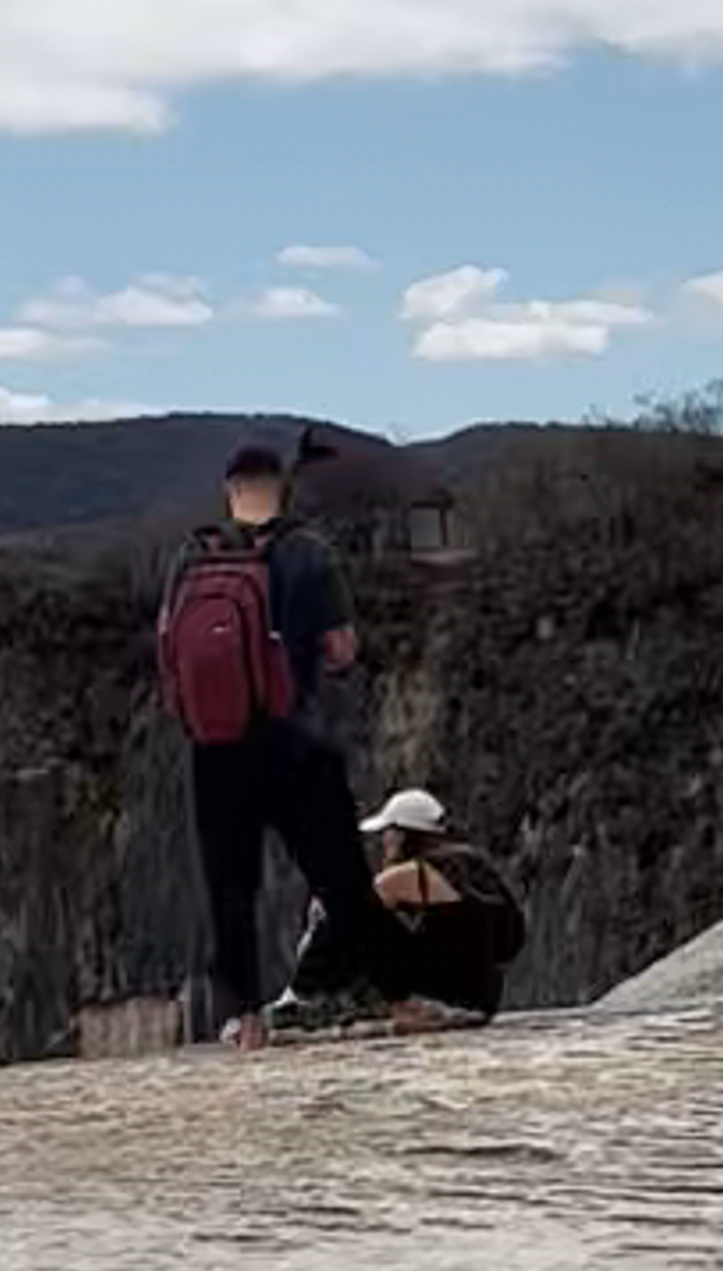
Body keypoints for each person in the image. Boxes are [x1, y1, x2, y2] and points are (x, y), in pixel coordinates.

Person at [161, 439, 384, 1041]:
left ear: (230, 490)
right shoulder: (308, 552)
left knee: (229, 888)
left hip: (212, 743)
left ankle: (243, 1019)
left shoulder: (191, 556)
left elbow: (170, 647)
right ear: (281, 488)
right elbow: (340, 649)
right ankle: (377, 991)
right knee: (338, 874)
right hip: (293, 737)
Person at [268, 786, 527, 1032]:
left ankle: (299, 998)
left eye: (386, 832)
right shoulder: (470, 867)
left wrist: (317, 927)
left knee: (345, 903)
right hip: (480, 998)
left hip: (445, 996)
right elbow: (512, 940)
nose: (382, 841)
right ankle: (352, 998)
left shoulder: (416, 873)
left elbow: (353, 908)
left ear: (402, 835)